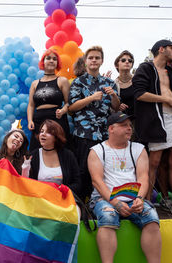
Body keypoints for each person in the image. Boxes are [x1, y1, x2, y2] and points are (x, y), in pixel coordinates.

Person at [88, 112, 161, 263]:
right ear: (111, 129)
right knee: (108, 217)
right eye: (123, 125)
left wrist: (140, 199)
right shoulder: (97, 150)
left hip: (133, 198)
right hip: (105, 199)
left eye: (129, 125)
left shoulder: (138, 149)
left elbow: (143, 178)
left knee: (152, 219)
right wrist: (115, 203)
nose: (129, 128)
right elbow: (97, 181)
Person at [133, 39, 172, 211]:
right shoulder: (145, 68)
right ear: (161, 49)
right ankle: (147, 203)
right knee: (154, 162)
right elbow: (139, 94)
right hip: (159, 119)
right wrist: (167, 100)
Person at [68, 46, 120, 201]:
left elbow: (116, 108)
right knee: (83, 170)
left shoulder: (109, 83)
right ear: (85, 61)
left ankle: (100, 202)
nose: (94, 60)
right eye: (91, 58)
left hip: (105, 134)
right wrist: (90, 98)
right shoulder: (78, 82)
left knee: (104, 170)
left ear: (102, 61)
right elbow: (71, 108)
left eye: (97, 58)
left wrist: (114, 96)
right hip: (84, 133)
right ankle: (82, 205)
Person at [22, 120, 81, 198]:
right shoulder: (33, 156)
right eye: (42, 131)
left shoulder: (68, 155)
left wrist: (64, 190)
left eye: (48, 132)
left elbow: (77, 183)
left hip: (63, 199)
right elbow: (27, 183)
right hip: (40, 200)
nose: (43, 134)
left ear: (56, 137)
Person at [27, 49, 71, 152]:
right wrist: (30, 120)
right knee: (36, 152)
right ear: (43, 62)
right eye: (48, 58)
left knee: (59, 151)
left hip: (57, 119)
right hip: (38, 121)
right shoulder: (35, 83)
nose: (51, 61)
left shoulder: (62, 81)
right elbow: (31, 105)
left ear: (57, 63)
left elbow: (69, 102)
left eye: (54, 59)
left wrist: (63, 111)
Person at [114, 50, 135, 117]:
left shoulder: (138, 79)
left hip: (140, 119)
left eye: (130, 60)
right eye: (123, 60)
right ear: (116, 65)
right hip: (123, 121)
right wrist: (117, 106)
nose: (127, 62)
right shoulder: (113, 84)